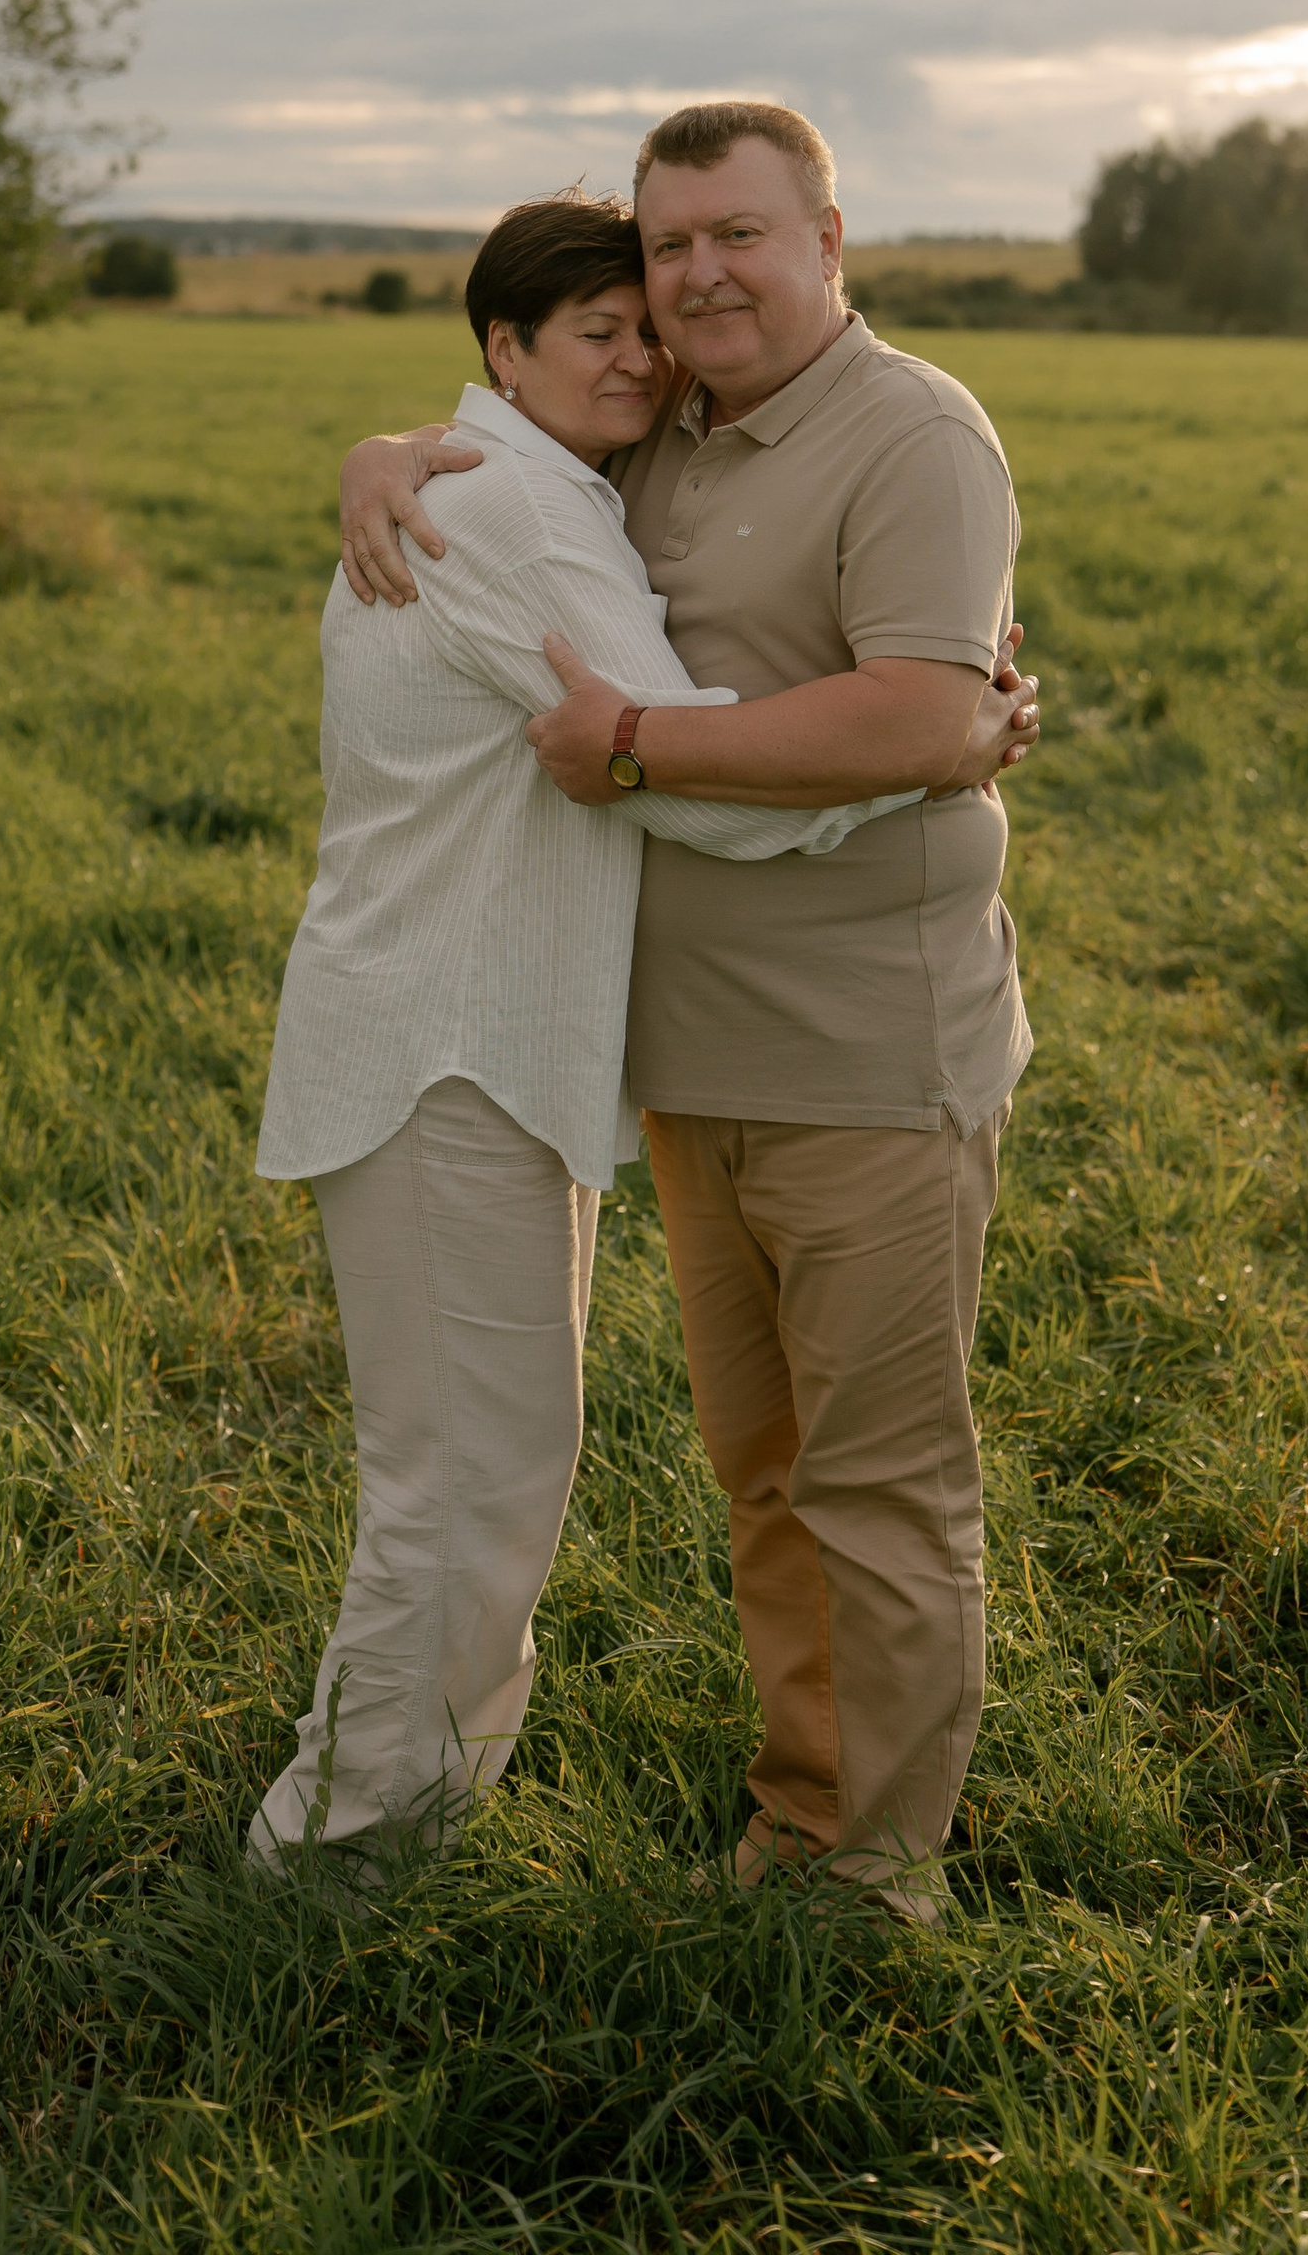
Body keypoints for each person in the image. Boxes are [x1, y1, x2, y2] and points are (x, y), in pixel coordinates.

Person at [248, 188, 1028, 1894]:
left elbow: (650, 742)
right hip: (448, 1050)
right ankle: (340, 1851)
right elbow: (674, 776)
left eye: (644, 327)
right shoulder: (514, 517)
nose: (643, 350)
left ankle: (397, 1819)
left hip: (486, 1048)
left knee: (485, 1470)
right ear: (503, 359)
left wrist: (386, 443)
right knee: (466, 1482)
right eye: (594, 330)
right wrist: (934, 743)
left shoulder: (525, 476)